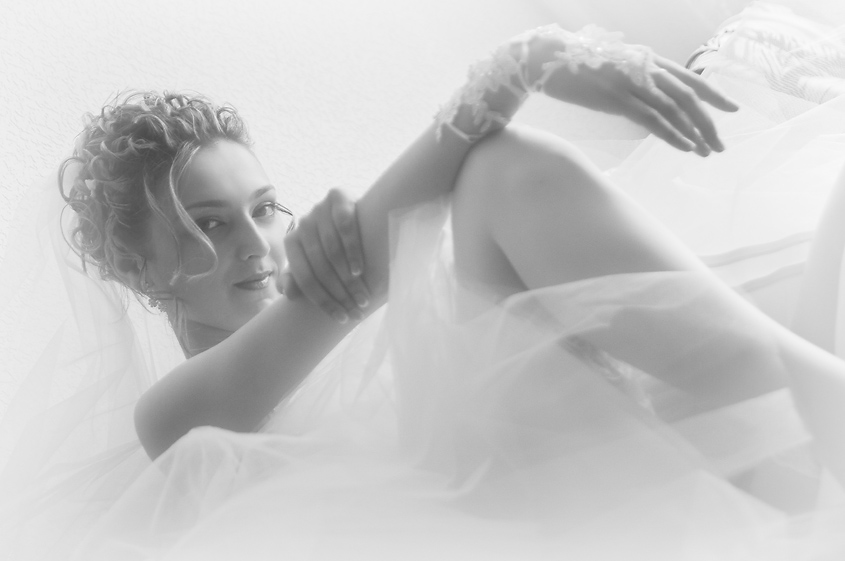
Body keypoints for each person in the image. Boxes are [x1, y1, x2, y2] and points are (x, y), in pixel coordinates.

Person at [2, 13, 845, 561]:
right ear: (139, 271)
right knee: (502, 173)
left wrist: (371, 232)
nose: (256, 244)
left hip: (602, 463)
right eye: (209, 224)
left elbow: (363, 269)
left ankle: (816, 424)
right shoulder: (172, 423)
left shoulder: (341, 306)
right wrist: (523, 64)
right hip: (529, 516)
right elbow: (347, 282)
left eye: (264, 209)